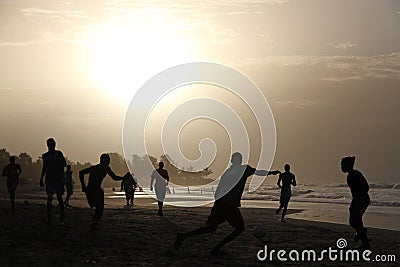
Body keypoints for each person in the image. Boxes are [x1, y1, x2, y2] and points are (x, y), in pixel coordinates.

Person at [175, 152, 280, 254]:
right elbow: (258, 172)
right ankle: (216, 248)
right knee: (239, 228)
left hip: (220, 203)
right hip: (230, 206)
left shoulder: (227, 172)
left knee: (211, 228)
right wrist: (271, 172)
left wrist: (216, 202)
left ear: (232, 161)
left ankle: (184, 236)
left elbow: (219, 188)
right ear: (240, 161)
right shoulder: (244, 169)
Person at [79, 153, 128, 230]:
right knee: (96, 206)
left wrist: (124, 177)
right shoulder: (97, 168)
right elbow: (81, 172)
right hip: (91, 189)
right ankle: (94, 221)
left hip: (96, 189)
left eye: (109, 160)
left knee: (99, 207)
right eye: (107, 160)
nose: (109, 162)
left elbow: (114, 178)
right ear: (102, 161)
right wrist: (83, 185)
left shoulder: (106, 168)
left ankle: (94, 223)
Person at [341, 156, 371, 249]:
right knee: (354, 221)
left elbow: (366, 187)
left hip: (362, 199)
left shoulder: (356, 174)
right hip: (357, 199)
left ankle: (365, 242)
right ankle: (361, 232)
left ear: (348, 165)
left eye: (342, 165)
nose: (341, 167)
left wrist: (359, 198)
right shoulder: (349, 176)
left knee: (356, 220)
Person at [40, 138, 67, 225]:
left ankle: (62, 213)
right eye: (50, 144)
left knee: (59, 197)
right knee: (50, 197)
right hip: (50, 178)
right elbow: (44, 168)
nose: (52, 146)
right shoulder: (45, 156)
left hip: (58, 178)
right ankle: (49, 219)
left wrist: (57, 162)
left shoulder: (58, 153)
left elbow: (64, 164)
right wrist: (41, 178)